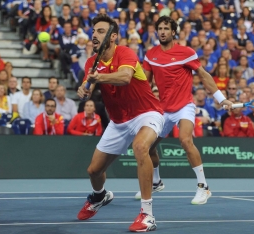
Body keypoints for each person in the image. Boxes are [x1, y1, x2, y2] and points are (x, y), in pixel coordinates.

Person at [76, 14, 164, 232]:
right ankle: (100, 196)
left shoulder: (125, 53)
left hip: (147, 113)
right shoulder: (91, 62)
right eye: (94, 31)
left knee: (141, 147)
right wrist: (84, 90)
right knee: (94, 171)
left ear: (113, 36)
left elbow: (124, 77)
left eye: (101, 31)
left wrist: (98, 79)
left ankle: (147, 215)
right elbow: (89, 86)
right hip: (118, 121)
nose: (94, 35)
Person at [137, 16, 233, 204]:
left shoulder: (186, 53)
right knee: (147, 147)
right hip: (162, 109)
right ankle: (155, 182)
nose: (162, 31)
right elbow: (144, 83)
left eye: (166, 28)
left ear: (173, 32)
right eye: (160, 28)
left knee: (185, 140)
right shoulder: (151, 55)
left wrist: (221, 99)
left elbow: (204, 76)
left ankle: (203, 187)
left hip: (184, 106)